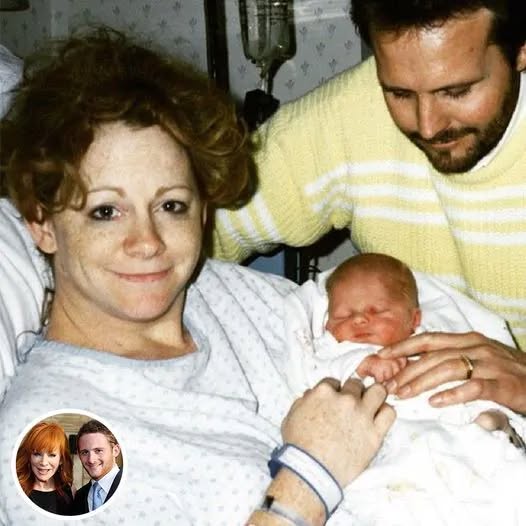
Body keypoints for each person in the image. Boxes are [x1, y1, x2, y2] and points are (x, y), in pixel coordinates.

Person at [0, 28, 395, 525]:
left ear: (203, 211)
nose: (147, 241)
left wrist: (478, 364)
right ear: (41, 223)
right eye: (105, 212)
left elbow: (377, 346)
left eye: (171, 205)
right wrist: (307, 480)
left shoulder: (232, 296)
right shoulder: (53, 439)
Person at [210, 1, 526, 414]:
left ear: (520, 50)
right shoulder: (348, 116)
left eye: (457, 91)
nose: (428, 125)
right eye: (399, 93)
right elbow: (186, 235)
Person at [283, 253, 526, 525]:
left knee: (507, 481)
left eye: (377, 311)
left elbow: (476, 379)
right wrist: (361, 365)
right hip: (391, 443)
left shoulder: (437, 339)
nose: (360, 319)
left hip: (452, 429)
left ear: (414, 319)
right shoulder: (338, 350)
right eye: (343, 315)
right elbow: (318, 375)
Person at [15, 421, 74, 516]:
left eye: (52, 455)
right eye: (37, 454)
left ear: (61, 459)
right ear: (29, 456)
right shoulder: (16, 490)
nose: (43, 462)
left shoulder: (69, 490)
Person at [72, 420, 122, 514]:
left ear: (115, 451)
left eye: (98, 451)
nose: (91, 460)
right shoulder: (78, 497)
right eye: (85, 452)